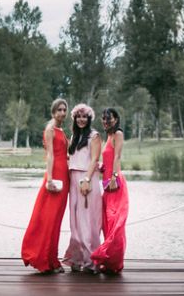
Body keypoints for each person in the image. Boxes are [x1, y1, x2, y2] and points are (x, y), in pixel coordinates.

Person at [21, 98, 70, 274]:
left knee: (56, 220)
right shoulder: (50, 129)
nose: (62, 113)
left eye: (64, 110)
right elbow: (50, 155)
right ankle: (44, 259)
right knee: (48, 218)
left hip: (64, 176)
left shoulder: (61, 130)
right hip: (55, 176)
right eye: (59, 110)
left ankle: (53, 259)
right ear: (53, 112)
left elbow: (66, 153)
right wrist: (49, 179)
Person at [63, 103, 103, 272]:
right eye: (78, 116)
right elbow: (71, 158)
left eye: (84, 117)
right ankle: (77, 259)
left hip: (87, 178)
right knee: (75, 220)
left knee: (87, 220)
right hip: (73, 179)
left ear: (89, 118)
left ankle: (91, 261)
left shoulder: (94, 136)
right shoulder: (74, 137)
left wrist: (86, 179)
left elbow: (94, 159)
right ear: (74, 118)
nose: (81, 119)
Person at [91, 107, 129, 273]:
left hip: (115, 184)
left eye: (109, 119)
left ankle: (115, 262)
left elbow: (118, 157)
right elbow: (108, 158)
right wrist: (101, 167)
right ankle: (109, 261)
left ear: (116, 119)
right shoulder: (108, 136)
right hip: (106, 185)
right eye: (104, 119)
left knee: (115, 223)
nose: (106, 122)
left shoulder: (118, 134)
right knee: (107, 224)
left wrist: (113, 176)